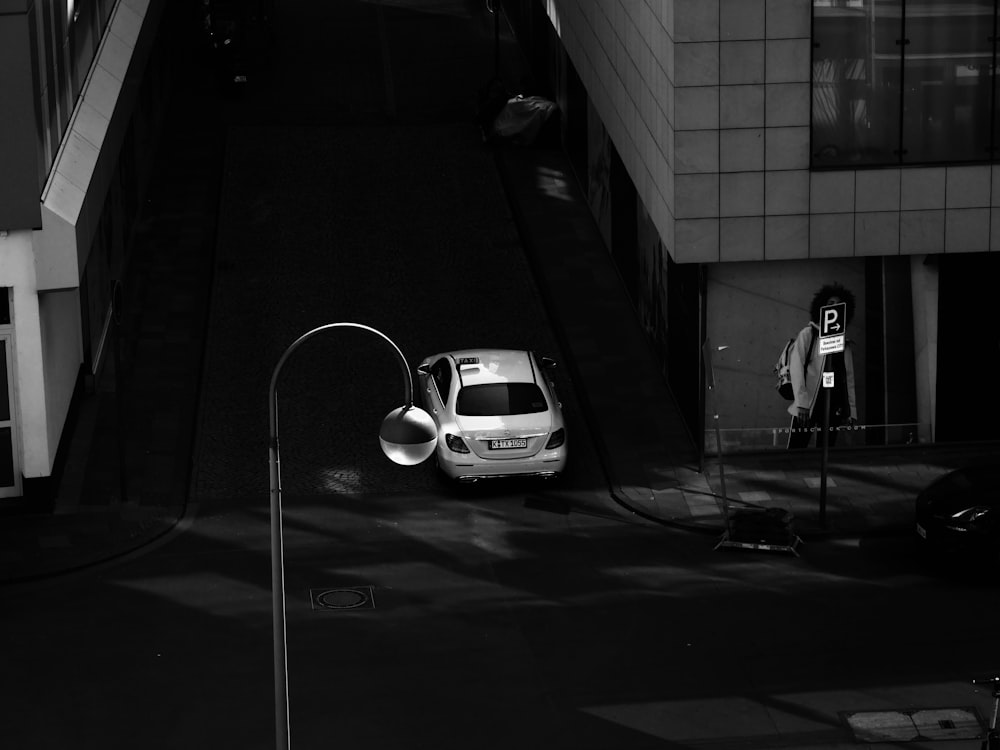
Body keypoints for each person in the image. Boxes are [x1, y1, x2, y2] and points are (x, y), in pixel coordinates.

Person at [786, 283, 858, 449]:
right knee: (796, 451)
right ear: (822, 307)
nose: (834, 308)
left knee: (825, 454)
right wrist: (802, 403)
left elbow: (849, 379)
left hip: (833, 407)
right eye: (830, 303)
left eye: (838, 305)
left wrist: (851, 411)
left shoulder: (844, 343)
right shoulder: (809, 334)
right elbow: (796, 368)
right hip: (808, 405)